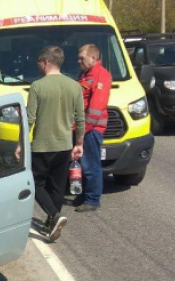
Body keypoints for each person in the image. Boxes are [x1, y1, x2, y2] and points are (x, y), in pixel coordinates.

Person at [25, 46, 85, 243]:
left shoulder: (37, 86)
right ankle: (52, 223)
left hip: (42, 145)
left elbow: (30, 118)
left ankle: (54, 215)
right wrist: (79, 144)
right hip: (64, 145)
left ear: (46, 63)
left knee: (35, 183)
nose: (39, 67)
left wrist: (21, 142)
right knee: (58, 187)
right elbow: (81, 119)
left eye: (39, 64)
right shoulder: (75, 86)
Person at [74, 43, 112, 212]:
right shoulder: (85, 74)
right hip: (82, 128)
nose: (78, 61)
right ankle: (84, 195)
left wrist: (83, 130)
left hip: (91, 129)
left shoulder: (101, 75)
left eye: (82, 58)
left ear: (93, 58)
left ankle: (92, 199)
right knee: (82, 164)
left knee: (90, 165)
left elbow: (95, 108)